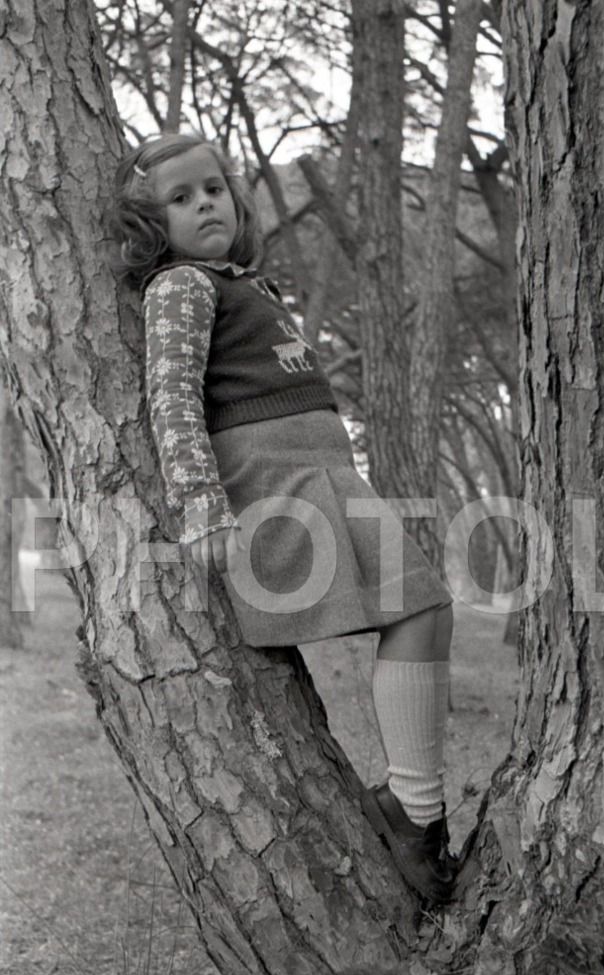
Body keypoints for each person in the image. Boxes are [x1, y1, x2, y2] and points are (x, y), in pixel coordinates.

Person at [110, 133, 456, 904]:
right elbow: (170, 395)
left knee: (428, 607)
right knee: (422, 606)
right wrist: (200, 504)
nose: (206, 203)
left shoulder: (248, 286)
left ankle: (414, 808)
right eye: (180, 197)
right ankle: (416, 818)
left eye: (214, 188)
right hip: (274, 482)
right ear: (148, 223)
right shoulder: (183, 287)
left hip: (328, 473)